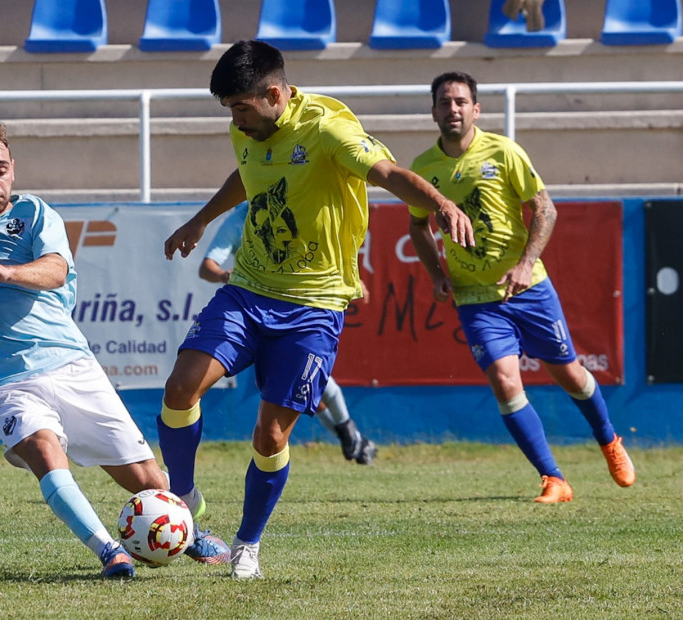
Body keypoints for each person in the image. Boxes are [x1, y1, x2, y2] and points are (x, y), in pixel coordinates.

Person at [159, 40, 474, 579]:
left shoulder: (329, 130)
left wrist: (440, 203)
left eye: (240, 107)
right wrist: (201, 220)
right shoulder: (248, 129)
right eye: (229, 109)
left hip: (313, 306)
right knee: (181, 385)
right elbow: (248, 172)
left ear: (275, 94)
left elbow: (388, 174)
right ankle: (184, 497)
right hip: (251, 288)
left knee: (271, 436)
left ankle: (247, 545)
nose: (235, 120)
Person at [0, 120, 218, 581]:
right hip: (4, 383)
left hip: (72, 367)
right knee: (44, 451)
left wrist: (6, 272)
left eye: (1, 169)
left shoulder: (37, 214)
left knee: (151, 484)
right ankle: (110, 553)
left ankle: (189, 534)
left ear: (13, 169)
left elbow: (55, 270)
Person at [408, 72, 636, 504]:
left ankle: (609, 440)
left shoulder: (504, 151)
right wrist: (436, 273)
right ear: (433, 110)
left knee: (568, 373)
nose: (452, 109)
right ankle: (554, 479)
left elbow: (544, 209)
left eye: (460, 102)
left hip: (527, 289)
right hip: (475, 299)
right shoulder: (423, 169)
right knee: (504, 380)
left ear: (476, 110)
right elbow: (418, 226)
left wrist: (526, 263)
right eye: (443, 102)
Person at [199, 202, 377, 465]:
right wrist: (226, 274)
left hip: (305, 310)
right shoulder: (240, 218)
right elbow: (207, 267)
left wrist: (350, 277)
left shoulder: (297, 203)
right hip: (259, 316)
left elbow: (327, 248)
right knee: (294, 390)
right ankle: (352, 437)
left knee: (311, 380)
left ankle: (350, 435)